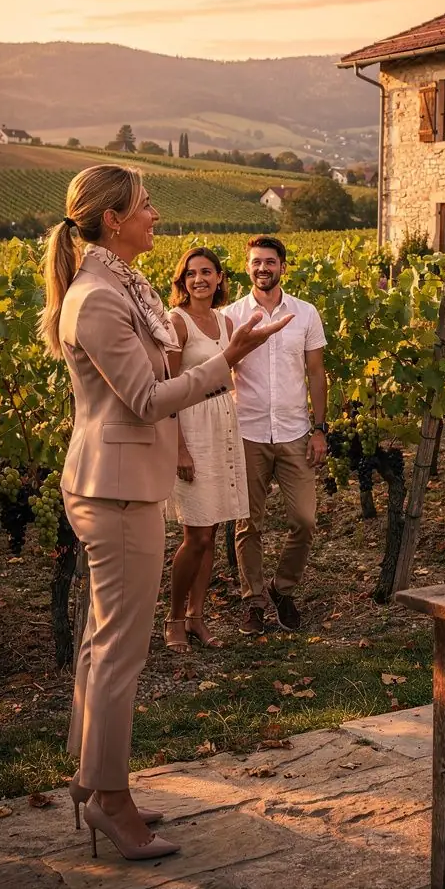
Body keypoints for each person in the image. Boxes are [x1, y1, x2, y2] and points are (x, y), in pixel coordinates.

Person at [39, 166, 291, 862]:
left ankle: (92, 787)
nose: (155, 214)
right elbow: (146, 398)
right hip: (115, 485)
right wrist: (228, 363)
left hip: (123, 479)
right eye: (145, 205)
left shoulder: (121, 285)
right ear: (112, 218)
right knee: (121, 649)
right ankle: (110, 801)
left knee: (103, 640)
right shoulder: (96, 298)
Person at [228, 235, 328, 635]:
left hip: (294, 433)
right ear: (247, 267)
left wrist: (320, 429)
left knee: (304, 520)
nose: (263, 268)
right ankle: (253, 601)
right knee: (248, 525)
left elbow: (316, 373)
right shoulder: (231, 316)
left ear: (283, 266)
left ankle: (282, 588)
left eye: (270, 261)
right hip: (247, 432)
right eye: (256, 262)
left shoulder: (305, 314)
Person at [164, 246, 249, 652]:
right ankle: (174, 619)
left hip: (221, 421)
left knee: (212, 531)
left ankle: (198, 617)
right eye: (191, 274)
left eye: (207, 272)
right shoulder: (176, 323)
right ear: (182, 281)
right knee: (194, 535)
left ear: (219, 278)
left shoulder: (226, 320)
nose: (199, 279)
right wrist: (179, 448)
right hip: (191, 423)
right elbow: (168, 388)